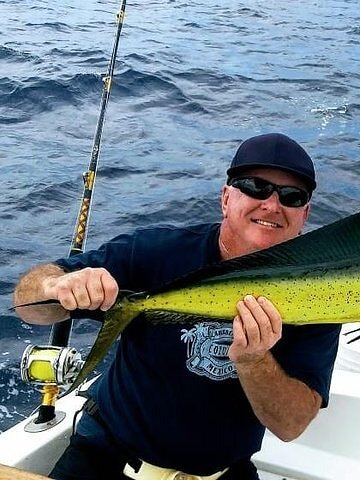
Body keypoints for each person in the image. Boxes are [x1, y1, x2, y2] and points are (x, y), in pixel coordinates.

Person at [13, 133, 341, 480]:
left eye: (291, 196)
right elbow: (28, 305)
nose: (272, 205)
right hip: (106, 459)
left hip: (222, 473)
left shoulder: (320, 295)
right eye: (255, 187)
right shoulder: (155, 252)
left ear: (304, 214)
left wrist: (254, 360)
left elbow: (291, 425)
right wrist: (56, 285)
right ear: (226, 198)